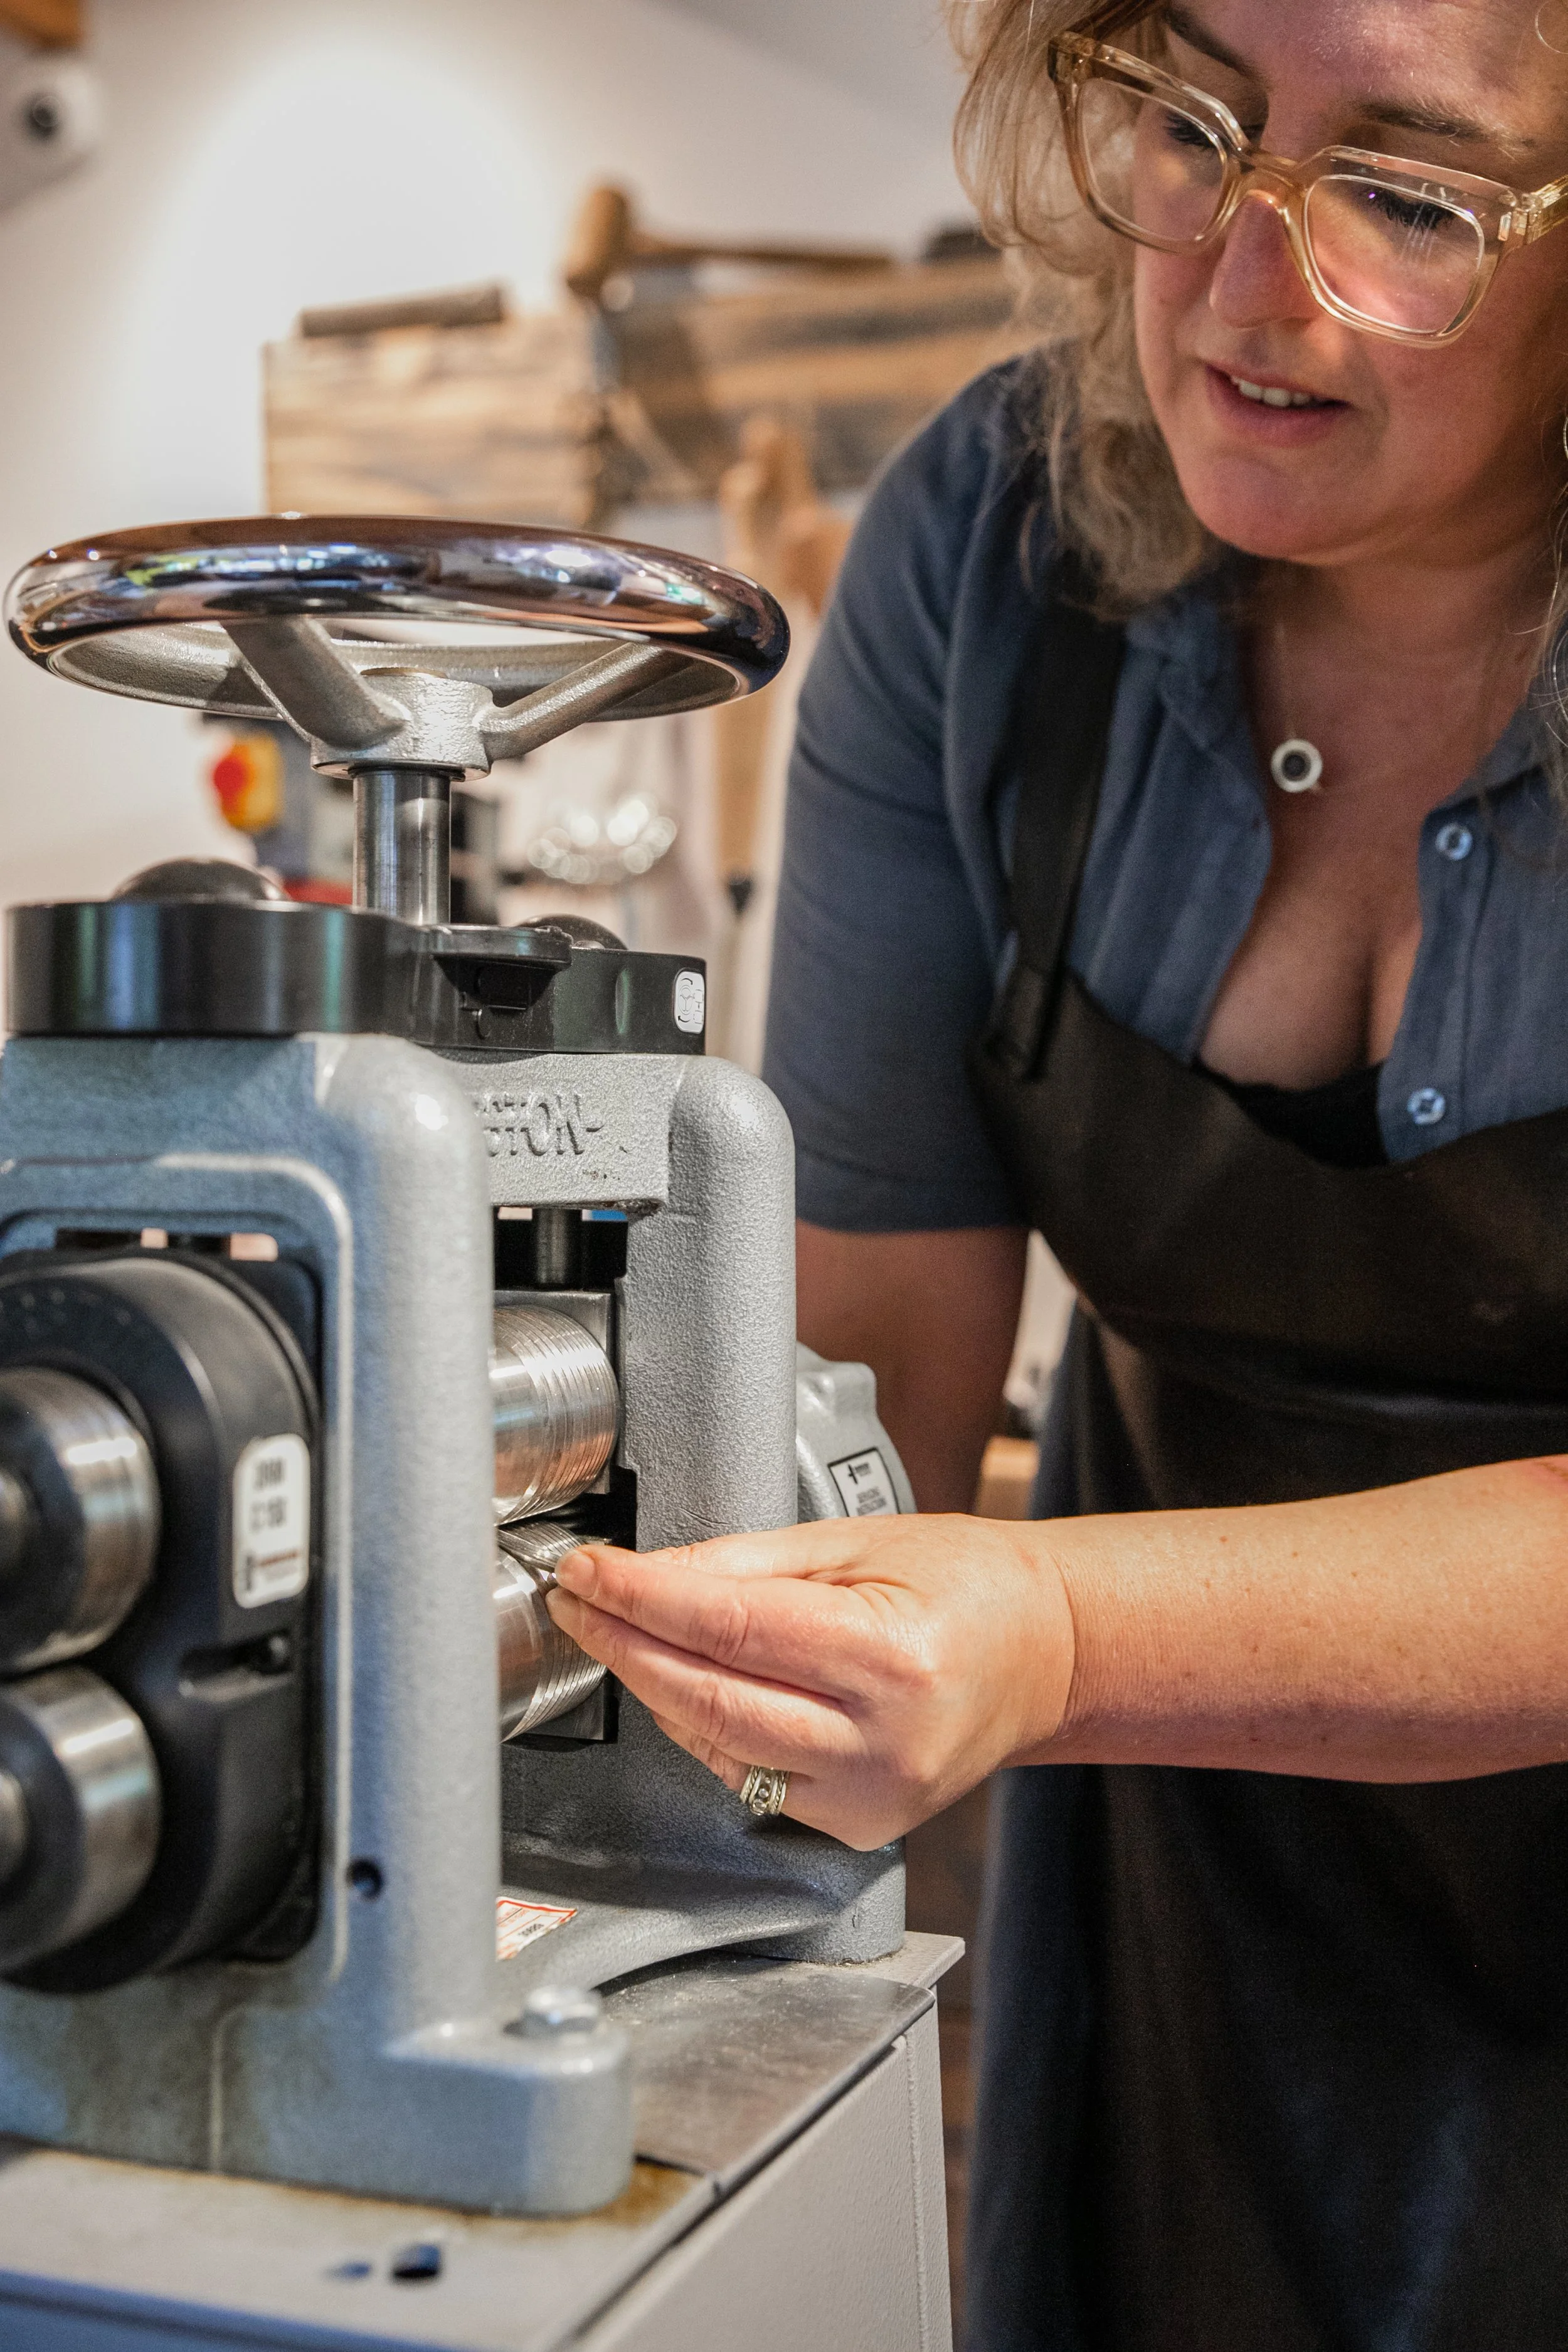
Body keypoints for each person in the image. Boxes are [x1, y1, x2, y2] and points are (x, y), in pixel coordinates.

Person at [547, 1, 1568, 2343]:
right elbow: (853, 1390)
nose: (1244, 286)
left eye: (1403, 194)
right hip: (1192, 1894)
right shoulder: (991, 554)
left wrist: (1063, 1631)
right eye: (1190, 123)